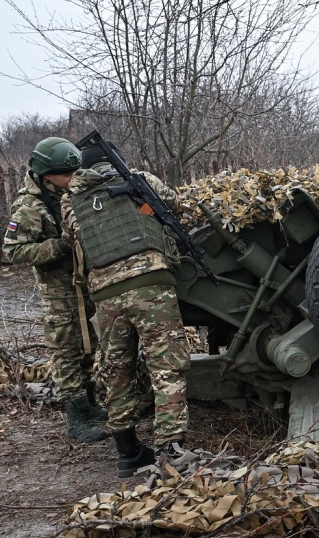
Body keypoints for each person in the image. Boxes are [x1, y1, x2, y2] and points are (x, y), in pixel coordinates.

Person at [61, 140, 190, 478]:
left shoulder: (69, 201)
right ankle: (172, 450)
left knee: (117, 372)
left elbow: (71, 238)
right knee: (166, 366)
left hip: (104, 295)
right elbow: (176, 204)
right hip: (150, 284)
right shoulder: (139, 178)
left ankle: (128, 453)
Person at [3, 137, 107, 442]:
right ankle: (76, 419)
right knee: (67, 354)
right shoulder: (29, 207)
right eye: (67, 174)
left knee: (89, 348)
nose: (73, 178)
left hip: (83, 288)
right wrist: (59, 247)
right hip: (59, 295)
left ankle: (89, 405)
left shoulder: (66, 191)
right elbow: (13, 251)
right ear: (48, 175)